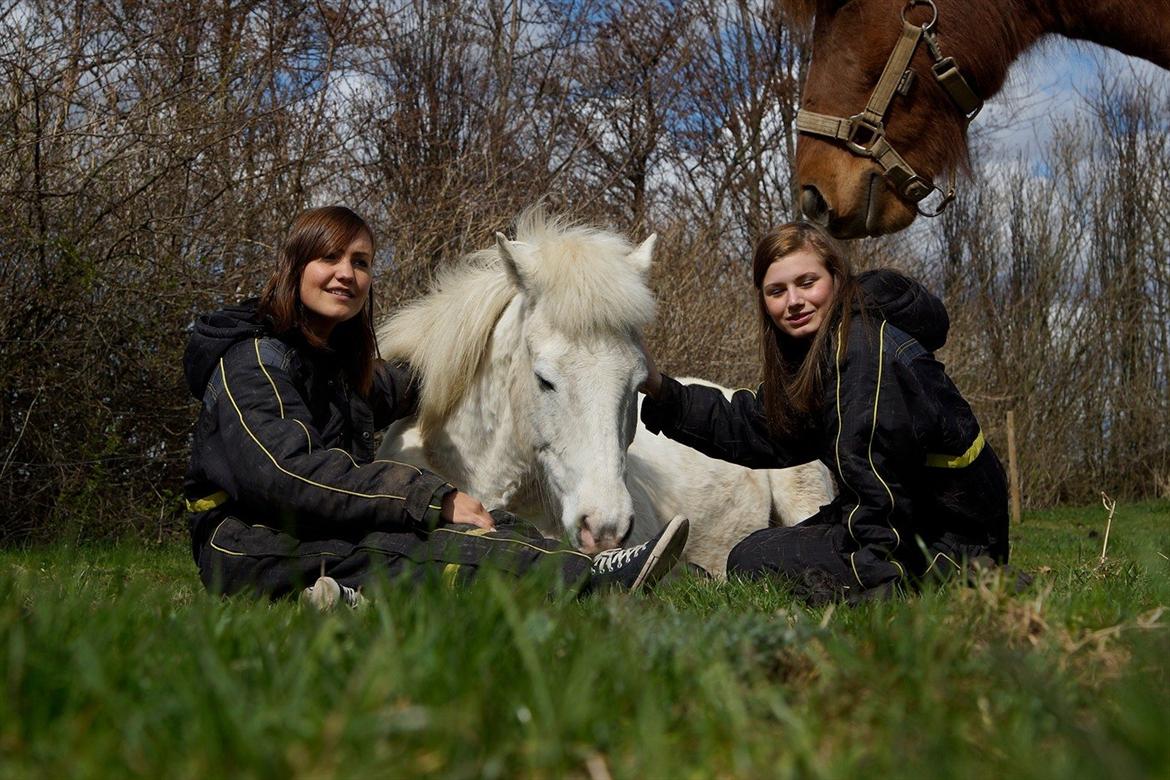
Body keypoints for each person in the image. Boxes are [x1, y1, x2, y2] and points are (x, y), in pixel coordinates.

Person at [183, 205, 688, 607]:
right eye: (329, 259)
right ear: (294, 268)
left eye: (360, 262)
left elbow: (405, 383)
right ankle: (599, 581)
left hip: (308, 530)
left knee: (492, 524)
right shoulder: (252, 361)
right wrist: (427, 496)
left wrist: (468, 347)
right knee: (409, 549)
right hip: (247, 540)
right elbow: (287, 472)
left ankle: (346, 601)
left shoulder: (334, 365)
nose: (346, 274)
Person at [639, 221, 1009, 604]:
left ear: (836, 277)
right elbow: (759, 426)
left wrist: (877, 581)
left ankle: (961, 580)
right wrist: (663, 391)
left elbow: (879, 485)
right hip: (926, 523)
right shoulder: (831, 348)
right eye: (777, 291)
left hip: (949, 536)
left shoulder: (863, 353)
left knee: (755, 562)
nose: (794, 301)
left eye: (807, 282)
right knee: (753, 554)